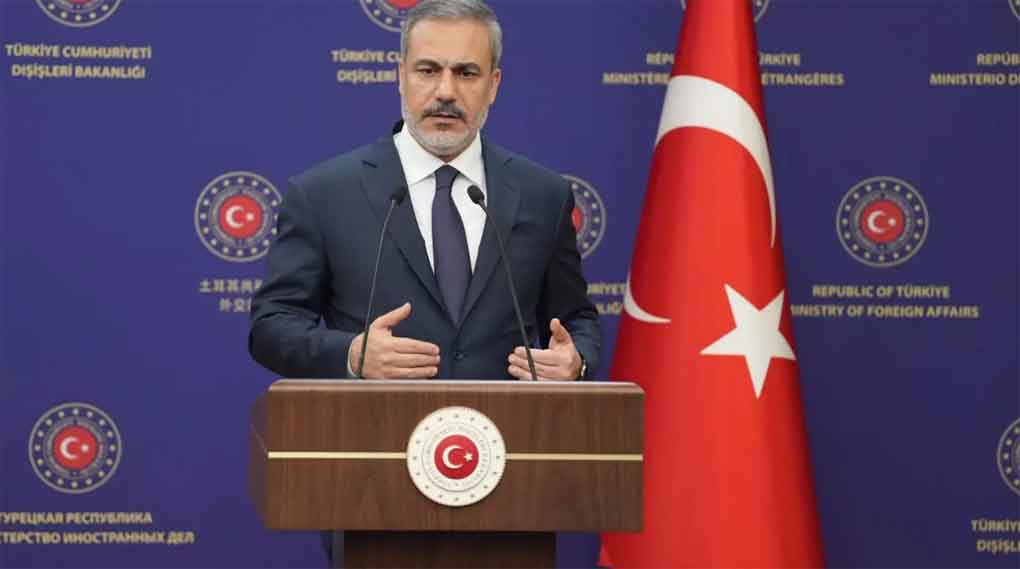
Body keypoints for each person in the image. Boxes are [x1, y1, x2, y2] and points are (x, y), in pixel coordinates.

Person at [249, 0, 600, 384]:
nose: (446, 91)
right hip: (372, 421)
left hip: (502, 422)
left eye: (466, 73)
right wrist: (350, 355)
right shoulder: (323, 195)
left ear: (493, 85)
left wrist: (575, 361)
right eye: (428, 70)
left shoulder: (543, 195)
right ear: (401, 76)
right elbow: (272, 325)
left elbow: (575, 319)